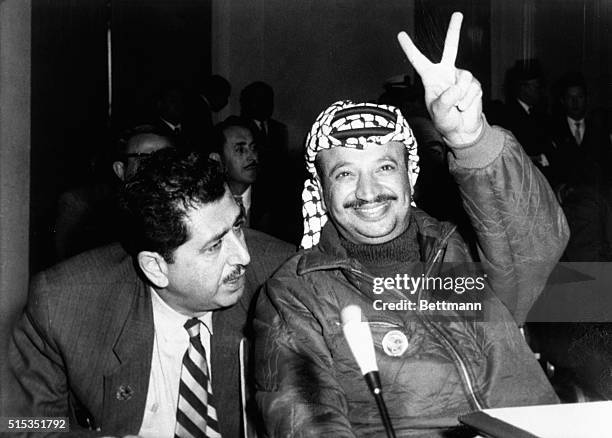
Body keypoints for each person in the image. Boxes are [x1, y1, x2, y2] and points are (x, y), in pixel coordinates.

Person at [252, 13, 569, 437]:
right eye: (344, 173)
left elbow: (540, 245)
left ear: (409, 174)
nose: (368, 190)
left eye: (384, 166)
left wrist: (472, 138)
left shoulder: (462, 251)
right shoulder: (296, 294)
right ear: (322, 191)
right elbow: (308, 422)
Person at [10, 149, 294, 437]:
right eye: (214, 246)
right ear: (156, 268)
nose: (243, 256)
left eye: (237, 227)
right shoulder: (61, 304)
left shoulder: (280, 278)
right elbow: (20, 424)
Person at [54, 126, 173, 261]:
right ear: (120, 170)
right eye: (145, 158)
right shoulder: (88, 212)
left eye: (166, 158)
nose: (157, 167)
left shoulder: (188, 207)